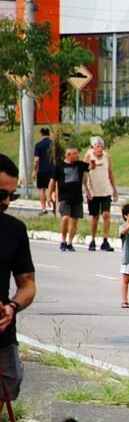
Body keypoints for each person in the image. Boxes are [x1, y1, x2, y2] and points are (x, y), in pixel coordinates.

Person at [0, 154, 36, 402]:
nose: (6, 202)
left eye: (11, 196)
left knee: (7, 388)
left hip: (3, 332)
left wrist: (12, 307)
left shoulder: (14, 229)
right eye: (0, 194)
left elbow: (28, 284)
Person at [84, 136, 118, 252]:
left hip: (105, 190)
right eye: (97, 146)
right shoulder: (89, 156)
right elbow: (84, 173)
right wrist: (86, 189)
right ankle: (93, 239)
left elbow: (110, 172)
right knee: (95, 216)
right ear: (93, 147)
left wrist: (114, 189)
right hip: (93, 190)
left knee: (106, 214)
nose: (100, 149)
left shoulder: (107, 157)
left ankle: (105, 240)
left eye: (102, 146)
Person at [54, 148, 89, 252]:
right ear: (68, 155)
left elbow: (91, 167)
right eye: (75, 154)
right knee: (65, 218)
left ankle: (70, 242)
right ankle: (63, 240)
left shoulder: (80, 165)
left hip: (77, 197)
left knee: (74, 221)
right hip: (64, 197)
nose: (77, 155)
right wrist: (51, 194)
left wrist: (91, 159)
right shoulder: (60, 166)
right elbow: (53, 180)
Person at [32, 127, 55, 215]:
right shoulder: (53, 144)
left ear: (41, 134)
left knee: (42, 189)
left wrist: (35, 170)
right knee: (53, 189)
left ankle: (44, 209)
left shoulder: (38, 145)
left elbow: (37, 160)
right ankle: (54, 206)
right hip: (53, 169)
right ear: (48, 134)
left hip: (42, 170)